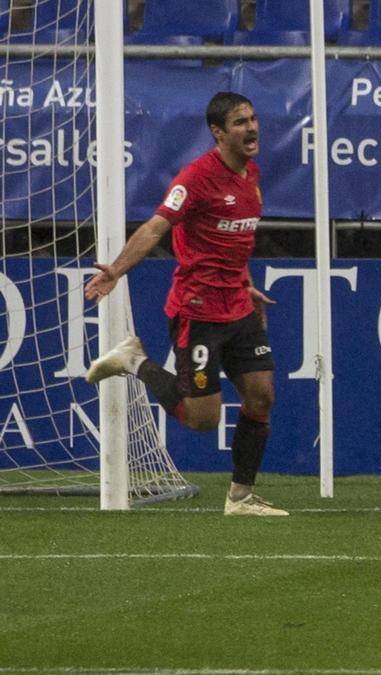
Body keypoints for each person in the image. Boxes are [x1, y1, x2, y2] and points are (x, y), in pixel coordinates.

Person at [84, 92, 286, 517]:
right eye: (239, 122)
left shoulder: (252, 175)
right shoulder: (194, 179)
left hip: (238, 305)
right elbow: (156, 227)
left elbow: (236, 238)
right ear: (217, 133)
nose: (251, 128)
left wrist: (246, 284)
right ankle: (135, 360)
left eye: (253, 119)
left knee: (262, 395)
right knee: (201, 419)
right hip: (198, 311)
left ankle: (241, 497)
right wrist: (117, 270)